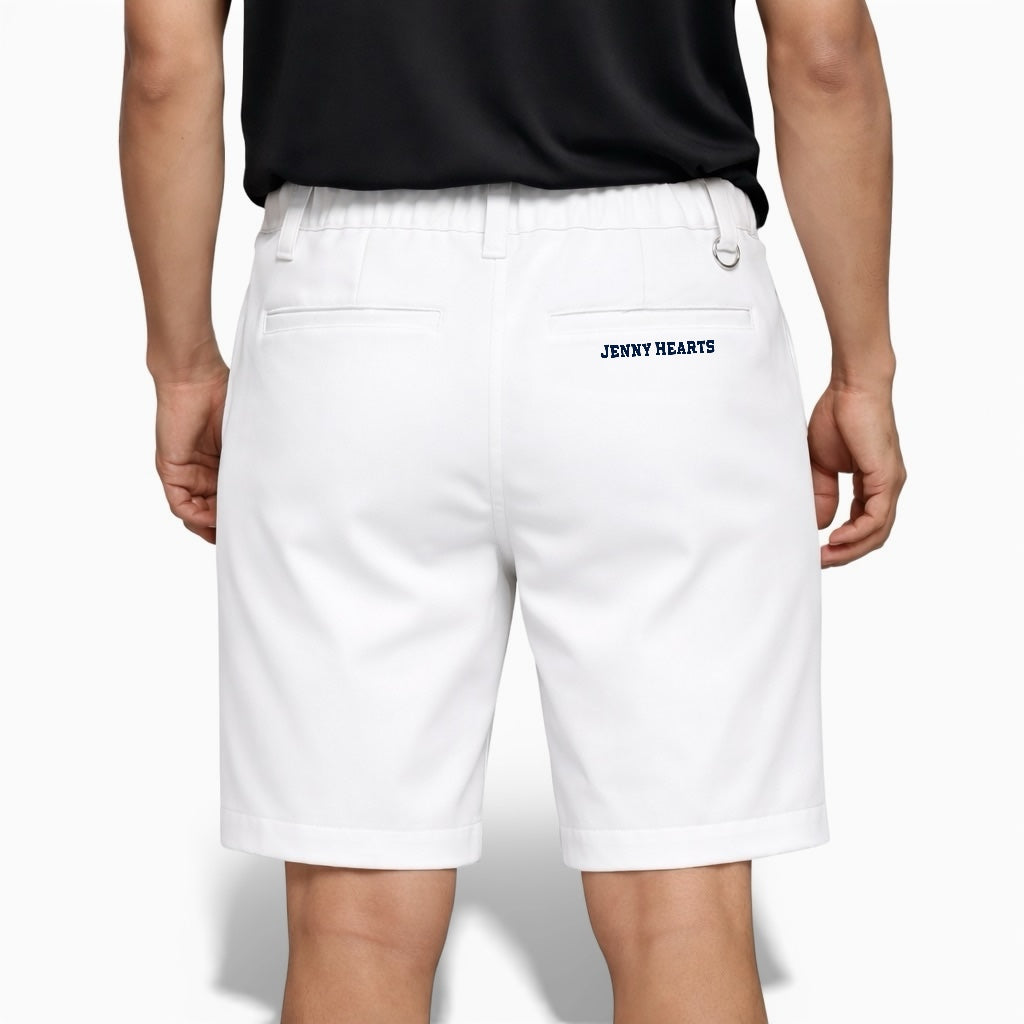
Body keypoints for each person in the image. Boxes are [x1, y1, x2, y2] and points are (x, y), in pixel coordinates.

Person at [120, 0, 906, 1018]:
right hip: (660, 307)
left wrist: (182, 364)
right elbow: (826, 51)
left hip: (347, 315)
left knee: (353, 917)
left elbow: (164, 60)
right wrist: (863, 369)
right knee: (682, 908)